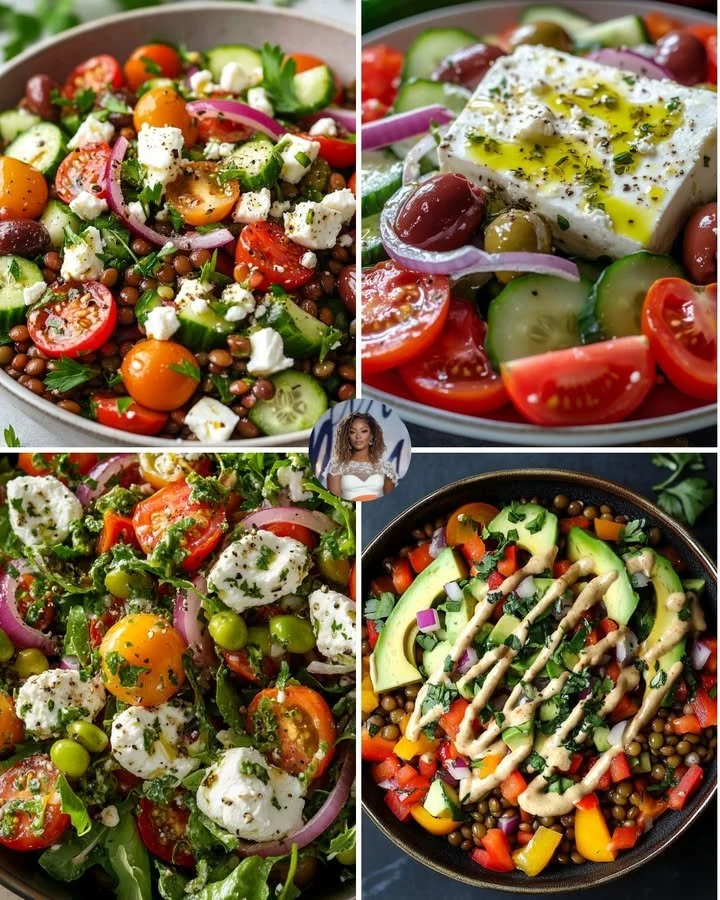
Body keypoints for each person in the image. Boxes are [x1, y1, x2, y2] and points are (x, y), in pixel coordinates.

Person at [326, 413, 397, 501]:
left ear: (372, 435)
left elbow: (391, 500)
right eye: (352, 432)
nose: (358, 436)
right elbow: (335, 501)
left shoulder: (385, 467)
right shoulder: (337, 465)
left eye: (364, 431)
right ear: (347, 437)